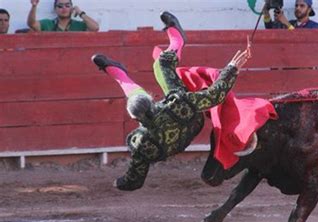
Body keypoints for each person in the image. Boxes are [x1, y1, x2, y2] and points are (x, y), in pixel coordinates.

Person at [91, 12, 251, 191]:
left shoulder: (140, 142)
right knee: (161, 65)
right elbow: (216, 95)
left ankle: (116, 71)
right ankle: (178, 40)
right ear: (153, 100)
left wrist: (121, 183)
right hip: (190, 121)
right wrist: (230, 69)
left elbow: (134, 181)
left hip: (175, 143)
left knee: (135, 96)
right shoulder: (177, 104)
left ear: (133, 118)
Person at [27, 0, 99, 32]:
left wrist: (80, 13)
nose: (64, 8)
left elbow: (95, 28)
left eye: (67, 5)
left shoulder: (79, 25)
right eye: (60, 6)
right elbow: (32, 24)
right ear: (55, 9)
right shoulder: (47, 23)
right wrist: (34, 6)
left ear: (72, 8)